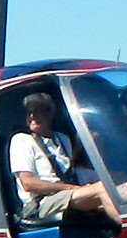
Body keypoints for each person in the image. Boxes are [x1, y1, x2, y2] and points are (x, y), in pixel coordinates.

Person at [9, 91, 119, 225]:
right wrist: (71, 188)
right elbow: (28, 184)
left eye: (38, 111)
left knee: (119, 191)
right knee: (103, 189)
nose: (32, 116)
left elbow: (73, 172)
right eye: (29, 112)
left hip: (67, 195)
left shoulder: (63, 139)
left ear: (50, 113)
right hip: (42, 202)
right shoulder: (21, 140)